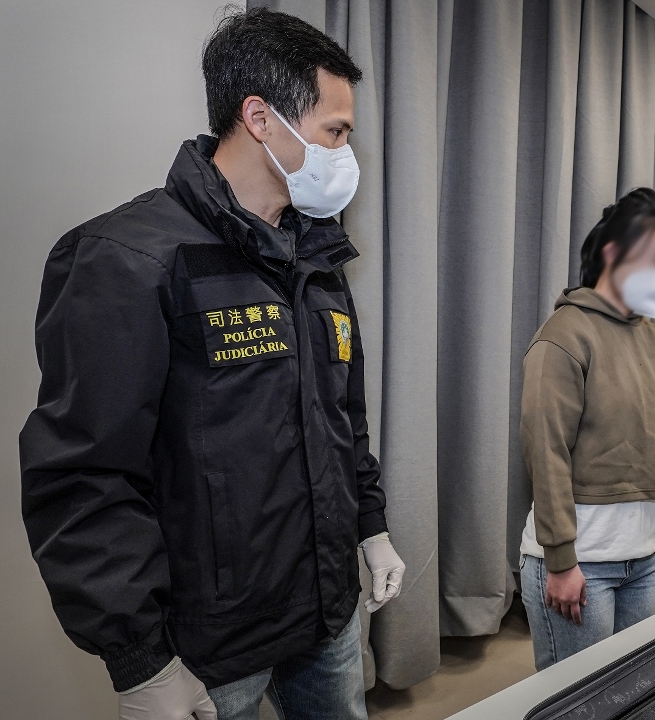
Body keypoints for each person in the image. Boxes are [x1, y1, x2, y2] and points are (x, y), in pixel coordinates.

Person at [19, 9, 405, 720]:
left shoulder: (318, 259)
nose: (345, 152)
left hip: (326, 612)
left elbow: (340, 419)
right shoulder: (128, 259)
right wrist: (138, 660)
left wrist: (370, 525)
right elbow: (83, 475)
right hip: (210, 648)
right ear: (260, 118)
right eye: (336, 132)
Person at [518, 188, 655, 670]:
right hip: (581, 561)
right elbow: (546, 449)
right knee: (579, 698)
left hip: (645, 559)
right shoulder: (564, 334)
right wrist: (560, 559)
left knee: (632, 689)